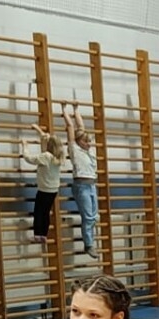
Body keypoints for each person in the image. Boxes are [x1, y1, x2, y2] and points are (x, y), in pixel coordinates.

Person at [61, 105, 99, 259]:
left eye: (89, 141)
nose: (89, 144)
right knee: (88, 217)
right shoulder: (74, 150)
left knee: (94, 217)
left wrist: (76, 109)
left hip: (92, 185)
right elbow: (71, 127)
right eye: (86, 141)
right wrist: (64, 109)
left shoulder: (89, 150)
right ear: (78, 142)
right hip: (81, 186)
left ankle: (90, 242)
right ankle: (88, 245)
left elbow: (81, 126)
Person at [20, 124, 65, 246]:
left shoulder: (45, 156)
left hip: (44, 190)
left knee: (38, 212)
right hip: (53, 190)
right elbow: (46, 137)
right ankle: (43, 235)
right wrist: (37, 129)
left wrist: (25, 146)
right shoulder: (59, 156)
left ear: (48, 145)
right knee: (45, 213)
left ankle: (37, 235)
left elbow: (28, 158)